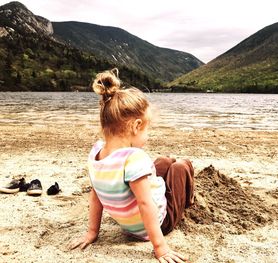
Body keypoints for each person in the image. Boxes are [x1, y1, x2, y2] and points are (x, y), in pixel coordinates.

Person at [69, 68, 194, 263]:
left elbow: (96, 196)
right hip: (160, 223)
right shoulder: (135, 158)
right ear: (136, 126)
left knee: (163, 161)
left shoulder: (96, 154)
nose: (148, 134)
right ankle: (190, 199)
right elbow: (145, 204)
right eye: (147, 128)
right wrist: (160, 248)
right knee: (181, 166)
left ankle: (169, 165)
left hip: (130, 226)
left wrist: (92, 232)